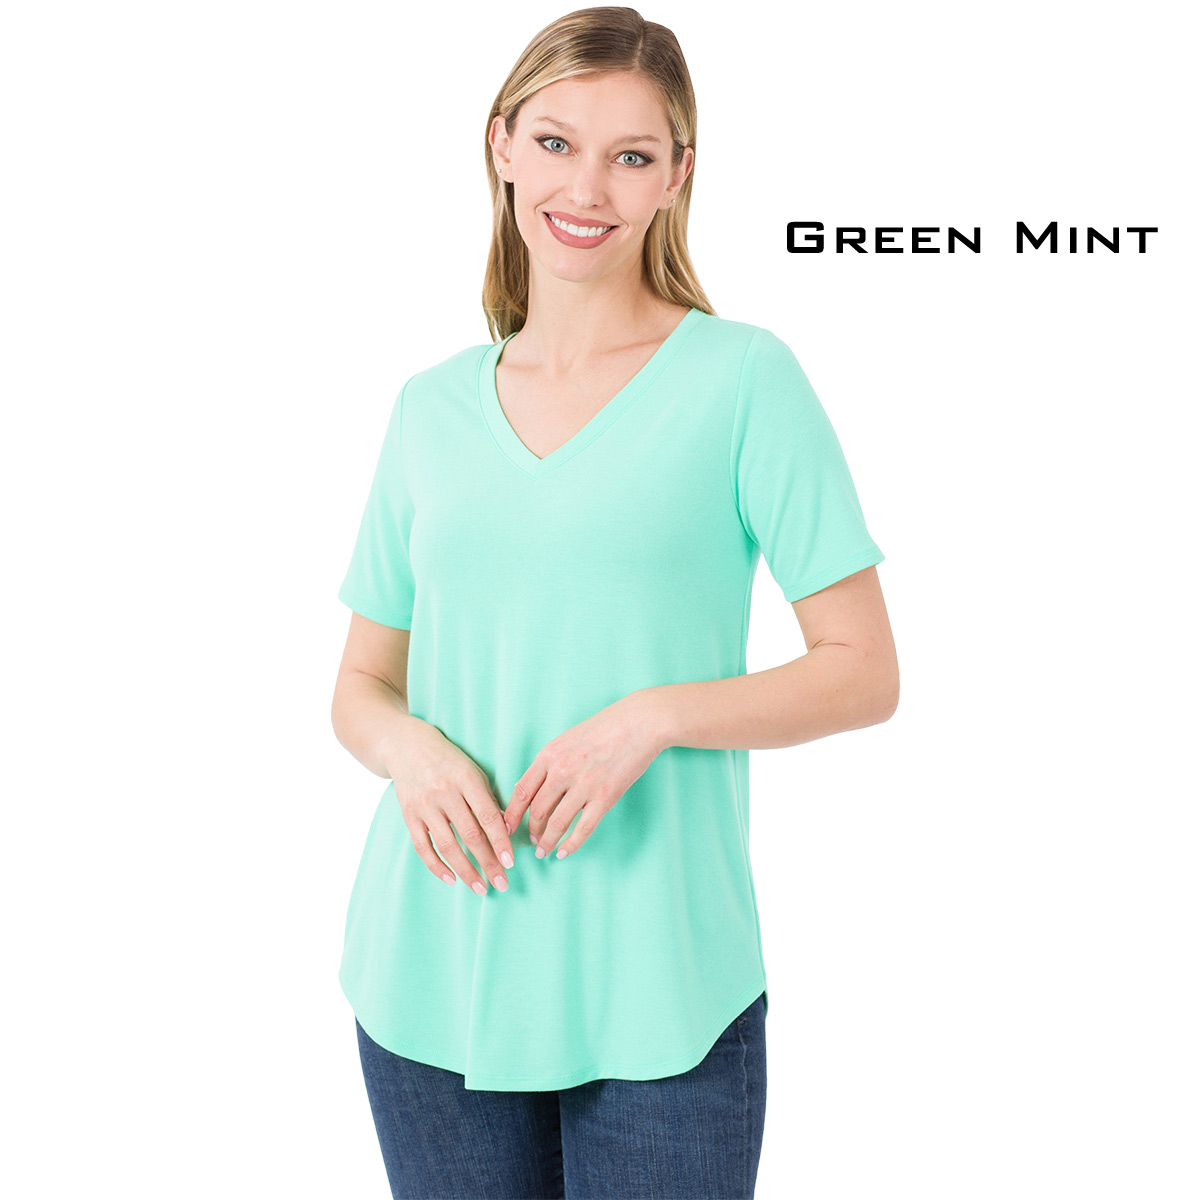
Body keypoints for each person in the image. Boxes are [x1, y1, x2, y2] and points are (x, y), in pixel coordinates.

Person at [330, 7, 899, 1198]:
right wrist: (412, 755)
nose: (586, 188)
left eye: (631, 155)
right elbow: (362, 685)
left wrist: (655, 717)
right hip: (432, 975)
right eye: (555, 142)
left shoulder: (744, 380)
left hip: (662, 987)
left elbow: (862, 669)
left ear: (677, 175)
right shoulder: (429, 407)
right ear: (500, 143)